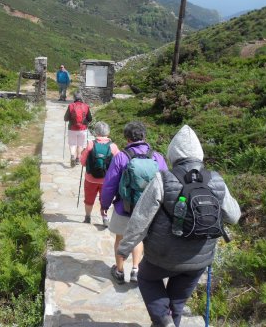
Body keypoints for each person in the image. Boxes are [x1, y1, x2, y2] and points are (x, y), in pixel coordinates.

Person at [117, 125, 241, 327]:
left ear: (173, 153)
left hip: (163, 256)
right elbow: (234, 216)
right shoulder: (216, 180)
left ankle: (164, 321)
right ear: (200, 153)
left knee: (147, 278)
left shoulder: (163, 179)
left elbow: (141, 219)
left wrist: (125, 248)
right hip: (199, 259)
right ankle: (168, 321)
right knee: (177, 302)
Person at [100, 121, 168, 285]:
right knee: (138, 238)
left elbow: (110, 184)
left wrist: (104, 204)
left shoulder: (122, 157)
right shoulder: (156, 157)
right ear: (144, 136)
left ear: (127, 138)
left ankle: (119, 270)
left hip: (125, 207)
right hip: (148, 210)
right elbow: (166, 182)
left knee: (121, 237)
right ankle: (136, 270)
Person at [80, 121, 120, 225]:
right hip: (107, 180)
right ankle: (105, 218)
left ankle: (87, 217)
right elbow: (118, 164)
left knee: (89, 198)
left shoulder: (90, 144)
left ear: (96, 132)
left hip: (90, 179)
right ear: (108, 132)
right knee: (105, 199)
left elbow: (83, 162)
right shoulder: (113, 147)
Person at [64, 91, 92, 168]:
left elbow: (65, 118)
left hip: (72, 129)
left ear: (74, 98)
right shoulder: (86, 106)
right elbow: (90, 119)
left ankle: (72, 156)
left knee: (72, 144)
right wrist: (85, 121)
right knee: (80, 145)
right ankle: (77, 159)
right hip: (82, 129)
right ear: (81, 97)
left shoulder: (71, 106)